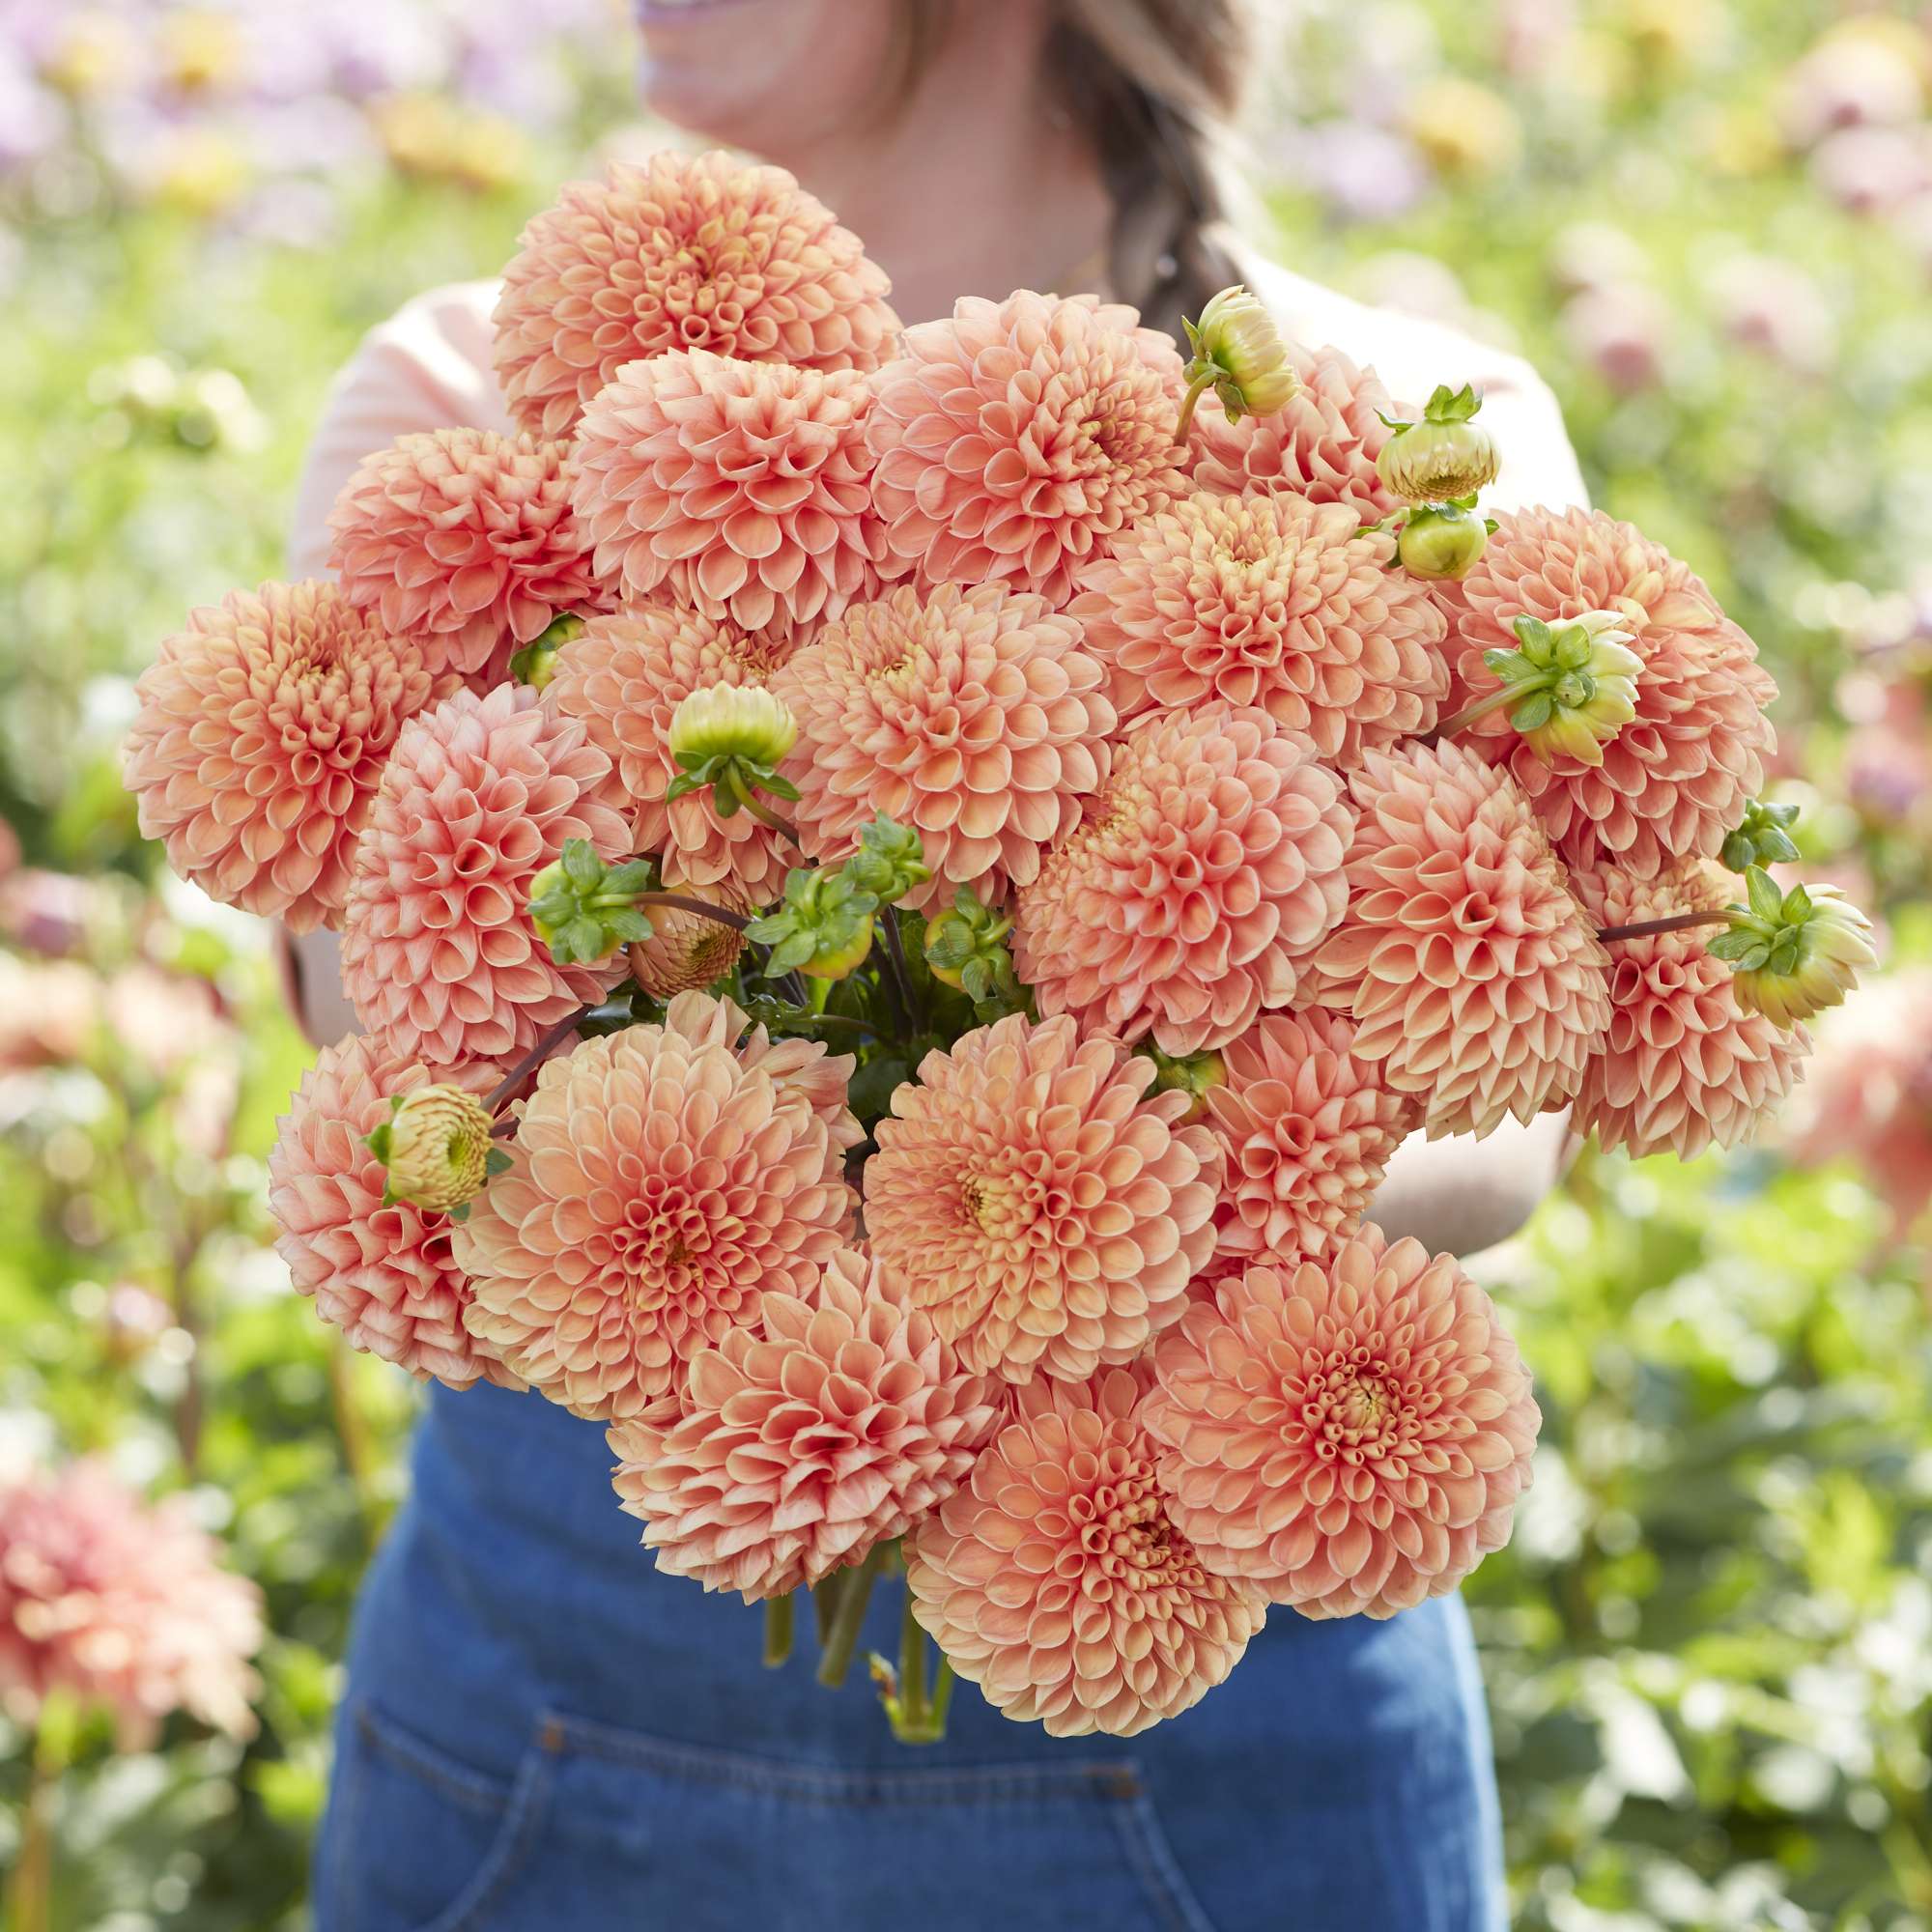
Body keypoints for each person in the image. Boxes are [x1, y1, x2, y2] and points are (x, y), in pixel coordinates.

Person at [293, 5, 1588, 1926]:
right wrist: (1156, 1081)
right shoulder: (469, 413)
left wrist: (1093, 1189)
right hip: (555, 1733)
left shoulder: (1405, 431)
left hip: (1231, 1740)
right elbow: (371, 1025)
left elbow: (1513, 1122)